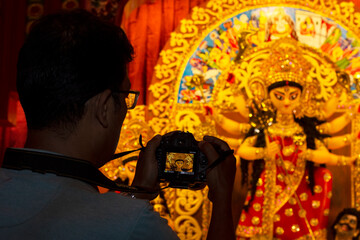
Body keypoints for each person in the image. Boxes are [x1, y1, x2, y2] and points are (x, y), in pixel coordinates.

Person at [0, 9, 237, 240]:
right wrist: (224, 198)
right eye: (125, 96)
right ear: (104, 107)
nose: (125, 108)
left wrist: (141, 191)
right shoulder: (129, 225)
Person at [212, 38, 356, 239]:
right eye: (280, 96)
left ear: (302, 97)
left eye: (292, 96)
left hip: (302, 187)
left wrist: (312, 154)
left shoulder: (306, 130)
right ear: (268, 96)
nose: (287, 101)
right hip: (269, 186)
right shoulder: (263, 128)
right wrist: (263, 152)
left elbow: (324, 155)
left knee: (323, 178)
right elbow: (243, 150)